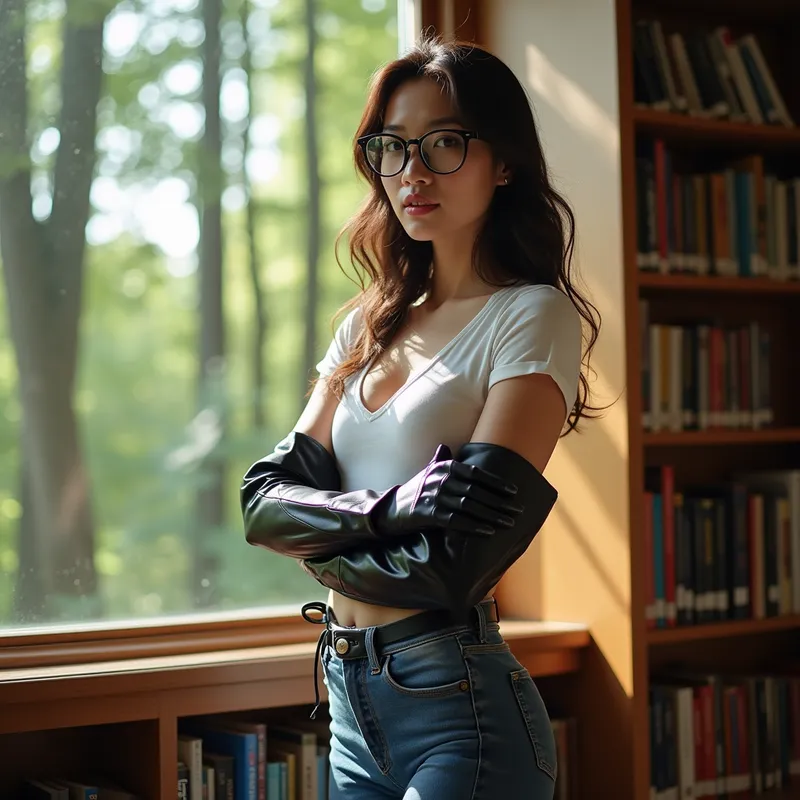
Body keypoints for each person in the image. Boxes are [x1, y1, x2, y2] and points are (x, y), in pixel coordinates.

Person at [240, 35, 601, 800]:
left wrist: (314, 549)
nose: (413, 172)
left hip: (458, 707)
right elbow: (260, 502)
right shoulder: (368, 325)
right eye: (392, 148)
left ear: (504, 163)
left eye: (444, 144)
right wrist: (390, 508)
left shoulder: (530, 317)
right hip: (348, 703)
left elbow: (454, 564)